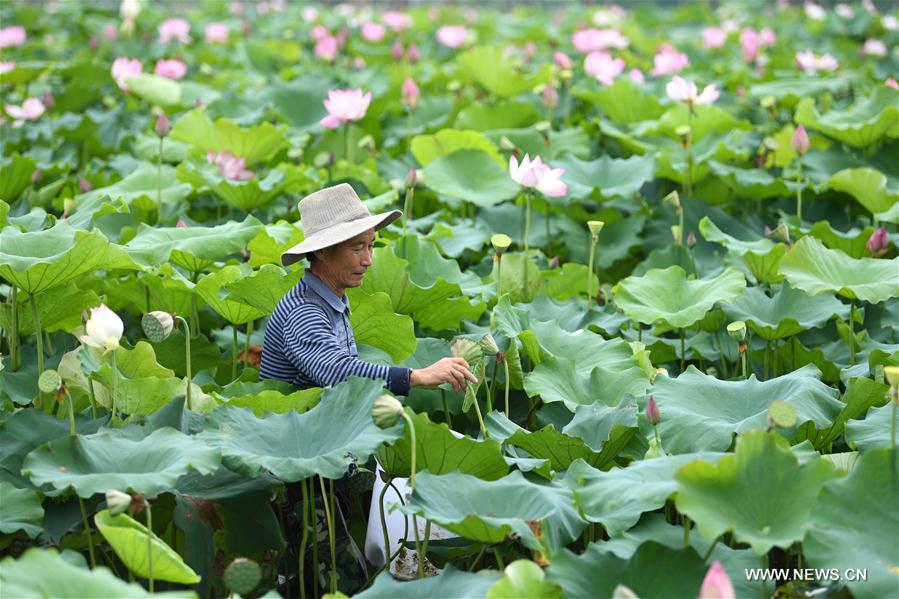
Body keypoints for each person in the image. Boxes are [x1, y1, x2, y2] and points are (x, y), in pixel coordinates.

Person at [260, 183, 478, 395]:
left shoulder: (329, 299)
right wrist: (417, 376)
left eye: (371, 246)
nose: (368, 261)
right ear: (322, 252)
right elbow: (338, 372)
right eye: (357, 248)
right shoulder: (303, 311)